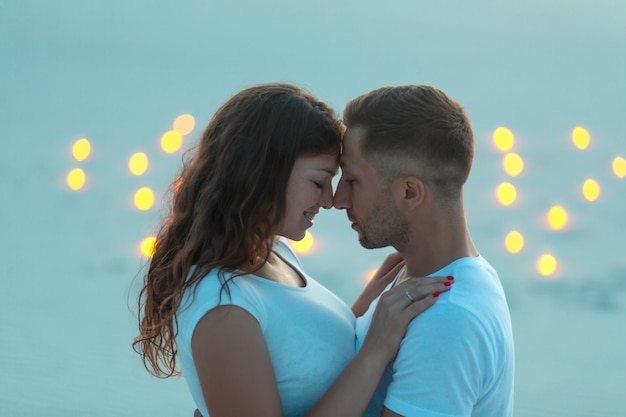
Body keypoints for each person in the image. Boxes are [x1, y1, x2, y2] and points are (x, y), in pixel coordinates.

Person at [133, 83, 455, 417]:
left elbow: (302, 356)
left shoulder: (274, 252)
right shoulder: (223, 308)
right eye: (318, 182)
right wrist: (374, 351)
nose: (330, 200)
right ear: (263, 174)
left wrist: (368, 306)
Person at [333, 85, 515, 417]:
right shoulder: (416, 276)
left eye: (352, 180)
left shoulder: (447, 319)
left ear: (409, 192)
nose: (338, 199)